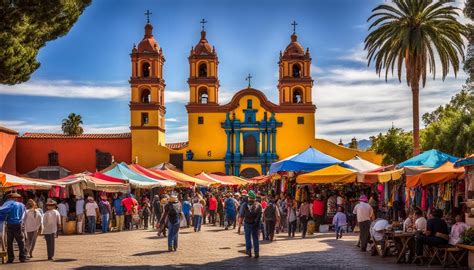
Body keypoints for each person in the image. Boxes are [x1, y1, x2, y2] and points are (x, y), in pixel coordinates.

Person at [0, 192, 27, 263]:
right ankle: (23, 257)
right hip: (19, 224)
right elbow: (24, 215)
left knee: (9, 242)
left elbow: (2, 210)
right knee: (21, 241)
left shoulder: (10, 204)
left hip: (10, 224)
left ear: (11, 198)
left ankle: (11, 258)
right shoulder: (22, 205)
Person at [240, 190, 262, 258]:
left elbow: (242, 215)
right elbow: (260, 215)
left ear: (248, 197)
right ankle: (256, 252)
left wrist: (240, 222)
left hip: (247, 223)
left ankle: (249, 251)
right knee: (255, 238)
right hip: (255, 224)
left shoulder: (244, 204)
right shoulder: (259, 205)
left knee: (248, 237)